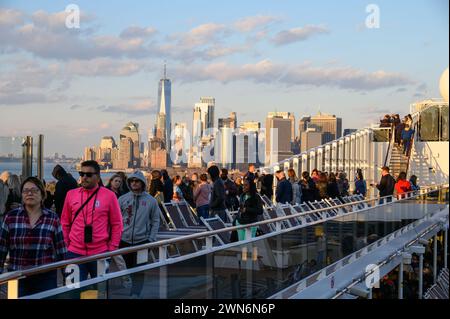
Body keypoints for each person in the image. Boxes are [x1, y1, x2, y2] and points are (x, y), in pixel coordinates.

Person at [0, 177, 67, 297]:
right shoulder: (10, 217)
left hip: (45, 278)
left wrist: (67, 277)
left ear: (42, 194)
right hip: (17, 277)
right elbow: (1, 249)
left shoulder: (52, 218)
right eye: (25, 191)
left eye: (34, 190)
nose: (29, 193)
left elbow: (61, 250)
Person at [61, 160, 123, 281]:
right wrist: (67, 246)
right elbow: (65, 222)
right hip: (74, 252)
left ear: (98, 177)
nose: (84, 177)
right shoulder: (71, 194)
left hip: (100, 253)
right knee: (72, 290)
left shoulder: (109, 196)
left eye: (89, 175)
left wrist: (112, 248)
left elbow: (117, 224)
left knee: (101, 291)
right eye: (81, 174)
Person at [118, 170, 160, 298]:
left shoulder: (151, 201)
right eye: (131, 181)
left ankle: (135, 294)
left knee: (140, 270)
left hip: (143, 242)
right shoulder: (122, 199)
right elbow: (116, 220)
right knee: (129, 269)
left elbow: (156, 220)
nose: (134, 183)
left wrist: (151, 239)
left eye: (137, 181)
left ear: (142, 183)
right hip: (124, 241)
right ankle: (132, 290)